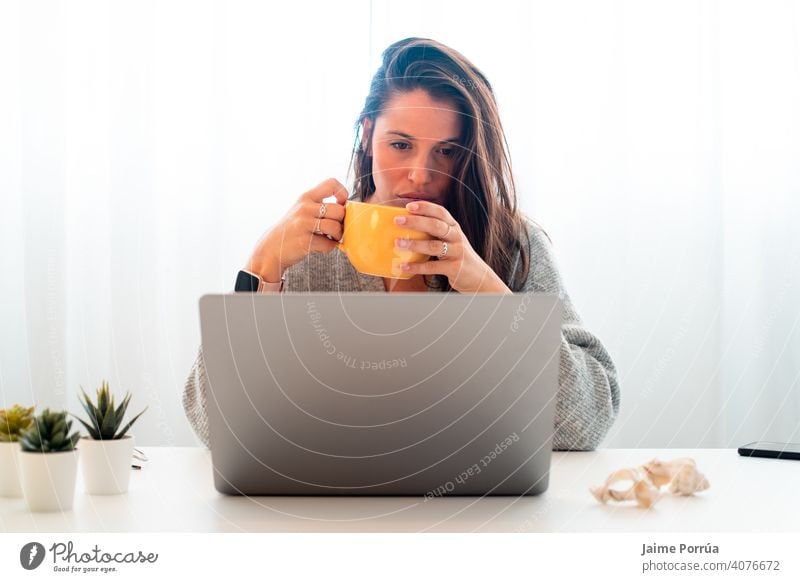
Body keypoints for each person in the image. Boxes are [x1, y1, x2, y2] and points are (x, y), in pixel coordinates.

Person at [183, 37, 620, 451]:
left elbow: (588, 420)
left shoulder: (512, 245)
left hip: (474, 510)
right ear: (368, 134)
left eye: (446, 152)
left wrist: (483, 286)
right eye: (400, 144)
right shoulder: (309, 251)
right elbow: (214, 425)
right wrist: (261, 266)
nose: (420, 175)